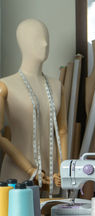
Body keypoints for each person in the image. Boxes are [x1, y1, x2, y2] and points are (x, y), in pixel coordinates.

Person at [0, 19, 67, 194]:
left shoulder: (57, 86)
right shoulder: (4, 85)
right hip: (18, 173)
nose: (45, 43)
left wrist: (64, 169)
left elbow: (62, 131)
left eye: (46, 38)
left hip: (51, 176)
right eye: (37, 38)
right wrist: (31, 170)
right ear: (22, 43)